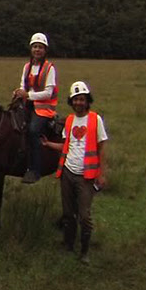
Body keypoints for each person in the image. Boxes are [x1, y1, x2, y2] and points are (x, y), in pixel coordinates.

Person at [42, 81, 108, 264]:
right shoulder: (70, 120)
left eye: (82, 99)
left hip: (86, 176)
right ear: (71, 102)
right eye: (75, 99)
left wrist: (101, 174)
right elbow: (66, 145)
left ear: (87, 101)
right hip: (67, 173)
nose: (78, 102)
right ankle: (68, 244)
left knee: (84, 215)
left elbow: (102, 148)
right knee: (68, 212)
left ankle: (85, 251)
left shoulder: (96, 120)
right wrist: (48, 144)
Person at [13, 32, 58, 183]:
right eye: (35, 47)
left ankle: (35, 169)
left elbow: (48, 92)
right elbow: (23, 85)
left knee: (33, 131)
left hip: (44, 109)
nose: (37, 50)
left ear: (45, 50)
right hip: (28, 105)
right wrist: (19, 92)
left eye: (40, 47)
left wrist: (28, 95)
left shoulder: (49, 68)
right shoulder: (27, 67)